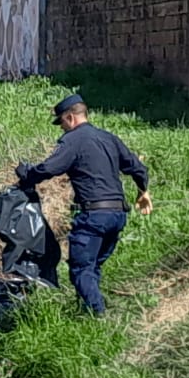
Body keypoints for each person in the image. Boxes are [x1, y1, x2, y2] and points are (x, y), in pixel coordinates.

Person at [15, 94, 151, 316]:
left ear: (70, 117)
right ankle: (86, 312)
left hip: (93, 216)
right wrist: (142, 191)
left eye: (62, 123)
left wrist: (27, 176)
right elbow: (137, 168)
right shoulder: (109, 138)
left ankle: (99, 317)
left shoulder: (74, 140)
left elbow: (50, 168)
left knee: (80, 270)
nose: (62, 129)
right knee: (92, 268)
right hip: (117, 215)